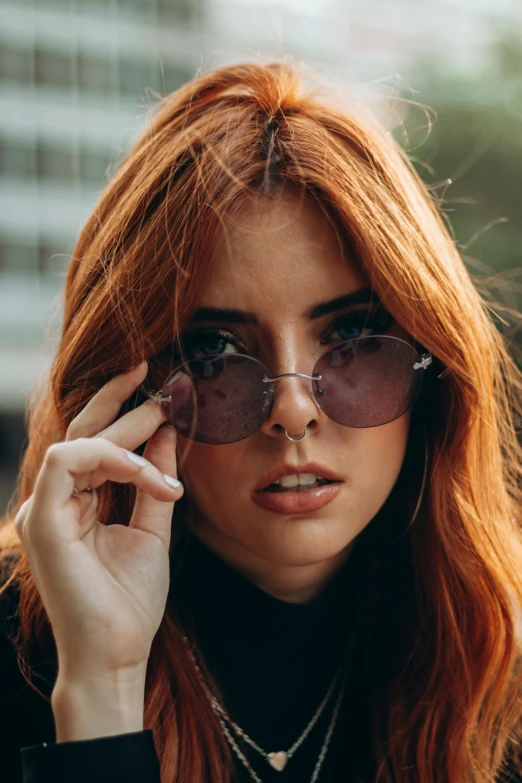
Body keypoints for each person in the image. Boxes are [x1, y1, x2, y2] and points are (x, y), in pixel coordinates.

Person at [0, 60, 521, 783]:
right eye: (215, 349)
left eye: (353, 336)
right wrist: (100, 688)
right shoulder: (19, 653)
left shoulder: (500, 652)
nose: (293, 410)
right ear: (124, 392)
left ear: (435, 366)